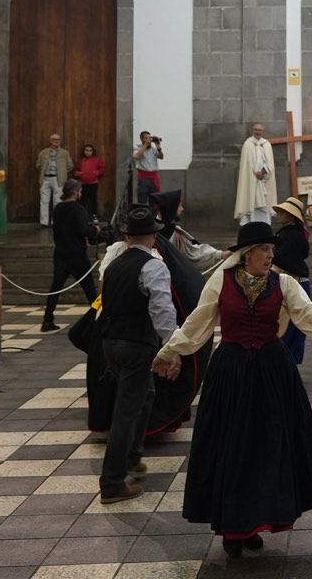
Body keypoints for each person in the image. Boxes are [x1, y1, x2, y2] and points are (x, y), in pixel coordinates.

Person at [153, 220, 312, 555]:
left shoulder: (284, 283)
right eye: (264, 249)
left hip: (271, 372)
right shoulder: (219, 283)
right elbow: (198, 322)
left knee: (266, 449)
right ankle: (231, 527)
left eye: (271, 249)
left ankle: (255, 522)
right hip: (231, 372)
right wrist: (170, 350)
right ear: (247, 254)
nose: (270, 255)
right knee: (231, 449)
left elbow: (310, 315)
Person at [95, 206, 180, 504]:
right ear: (154, 238)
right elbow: (163, 311)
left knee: (145, 395)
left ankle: (133, 455)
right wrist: (173, 348)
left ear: (126, 235)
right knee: (125, 412)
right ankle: (112, 482)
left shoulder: (114, 264)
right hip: (136, 345)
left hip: (111, 345)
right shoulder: (153, 266)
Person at [42, 179, 99, 332]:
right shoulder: (78, 209)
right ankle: (99, 318)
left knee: (55, 288)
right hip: (77, 254)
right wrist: (95, 231)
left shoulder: (58, 208)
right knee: (90, 289)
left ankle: (47, 320)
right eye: (79, 190)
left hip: (60, 253)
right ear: (74, 192)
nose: (81, 193)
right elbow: (83, 230)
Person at [272, 197, 312, 365]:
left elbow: (281, 258)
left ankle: (284, 362)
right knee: (295, 325)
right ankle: (289, 362)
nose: (280, 214)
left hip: (292, 283)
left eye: (285, 212)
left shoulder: (289, 234)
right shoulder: (296, 233)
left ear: (292, 215)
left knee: (288, 325)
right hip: (299, 282)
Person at [234, 121, 276, 225]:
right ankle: (250, 224)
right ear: (253, 131)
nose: (258, 132)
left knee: (265, 202)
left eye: (260, 130)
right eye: (256, 130)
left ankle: (264, 224)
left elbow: (269, 162)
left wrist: (262, 172)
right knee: (250, 200)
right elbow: (246, 164)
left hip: (264, 179)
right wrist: (254, 173)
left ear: (263, 131)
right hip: (251, 179)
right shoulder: (248, 144)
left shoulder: (266, 144)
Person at [36, 133, 69, 228]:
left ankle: (56, 221)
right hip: (45, 178)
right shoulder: (43, 152)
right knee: (44, 201)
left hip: (57, 179)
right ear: (50, 141)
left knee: (57, 201)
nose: (56, 142)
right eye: (54, 140)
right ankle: (44, 222)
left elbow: (69, 165)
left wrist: (62, 172)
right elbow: (38, 165)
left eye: (58, 140)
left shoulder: (64, 153)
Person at [74, 144, 107, 217]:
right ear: (84, 151)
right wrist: (79, 174)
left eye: (90, 151)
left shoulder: (97, 159)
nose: (88, 152)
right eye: (86, 150)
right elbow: (75, 171)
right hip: (83, 183)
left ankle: (94, 215)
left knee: (93, 200)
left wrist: (97, 173)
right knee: (82, 200)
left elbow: (103, 168)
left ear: (92, 151)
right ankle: (81, 216)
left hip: (93, 183)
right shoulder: (81, 160)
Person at [132, 130, 163, 203]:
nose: (148, 140)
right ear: (142, 139)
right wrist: (145, 145)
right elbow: (136, 156)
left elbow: (161, 157)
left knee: (154, 200)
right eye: (146, 138)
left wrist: (158, 147)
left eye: (149, 138)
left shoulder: (153, 149)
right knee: (142, 200)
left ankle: (153, 214)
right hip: (144, 179)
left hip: (154, 178)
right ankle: (142, 214)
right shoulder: (137, 147)